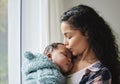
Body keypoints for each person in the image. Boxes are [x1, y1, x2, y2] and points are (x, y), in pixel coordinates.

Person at [60, 4, 120, 84]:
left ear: (87, 33)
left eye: (69, 37)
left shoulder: (100, 73)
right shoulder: (66, 60)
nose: (64, 43)